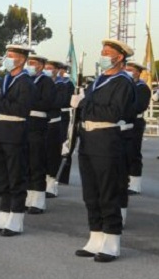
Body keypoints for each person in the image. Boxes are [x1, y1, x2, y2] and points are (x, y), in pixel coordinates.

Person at [72, 39, 135, 262]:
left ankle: (112, 240)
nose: (103, 55)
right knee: (91, 192)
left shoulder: (123, 82)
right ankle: (96, 236)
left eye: (107, 53)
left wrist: (83, 104)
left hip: (107, 139)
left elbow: (113, 112)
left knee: (108, 191)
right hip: (88, 139)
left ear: (119, 57)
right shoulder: (98, 80)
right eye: (102, 51)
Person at [0, 45, 35, 236]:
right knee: (3, 177)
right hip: (1, 132)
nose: (7, 59)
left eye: (11, 56)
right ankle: (4, 213)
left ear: (21, 60)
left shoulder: (26, 82)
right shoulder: (5, 79)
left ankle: (16, 218)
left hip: (16, 133)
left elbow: (21, 109)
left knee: (16, 176)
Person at [24, 54, 55, 214]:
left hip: (38, 124)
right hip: (25, 124)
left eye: (33, 63)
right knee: (27, 163)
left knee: (37, 162)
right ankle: (28, 197)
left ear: (41, 66)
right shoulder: (26, 80)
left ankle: (38, 201)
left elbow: (47, 103)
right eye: (29, 62)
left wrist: (26, 102)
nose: (30, 65)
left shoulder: (46, 82)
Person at [43, 60, 74, 198]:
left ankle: (53, 183)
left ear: (57, 70)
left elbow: (60, 102)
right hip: (43, 121)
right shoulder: (43, 82)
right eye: (46, 67)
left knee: (54, 153)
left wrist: (44, 103)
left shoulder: (63, 84)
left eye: (50, 68)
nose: (47, 70)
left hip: (58, 120)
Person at [124, 62, 151, 196]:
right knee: (122, 153)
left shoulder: (142, 87)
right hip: (123, 122)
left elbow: (139, 106)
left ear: (138, 72)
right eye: (126, 69)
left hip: (135, 122)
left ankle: (135, 185)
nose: (128, 72)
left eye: (131, 70)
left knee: (133, 152)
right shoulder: (125, 85)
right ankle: (125, 181)